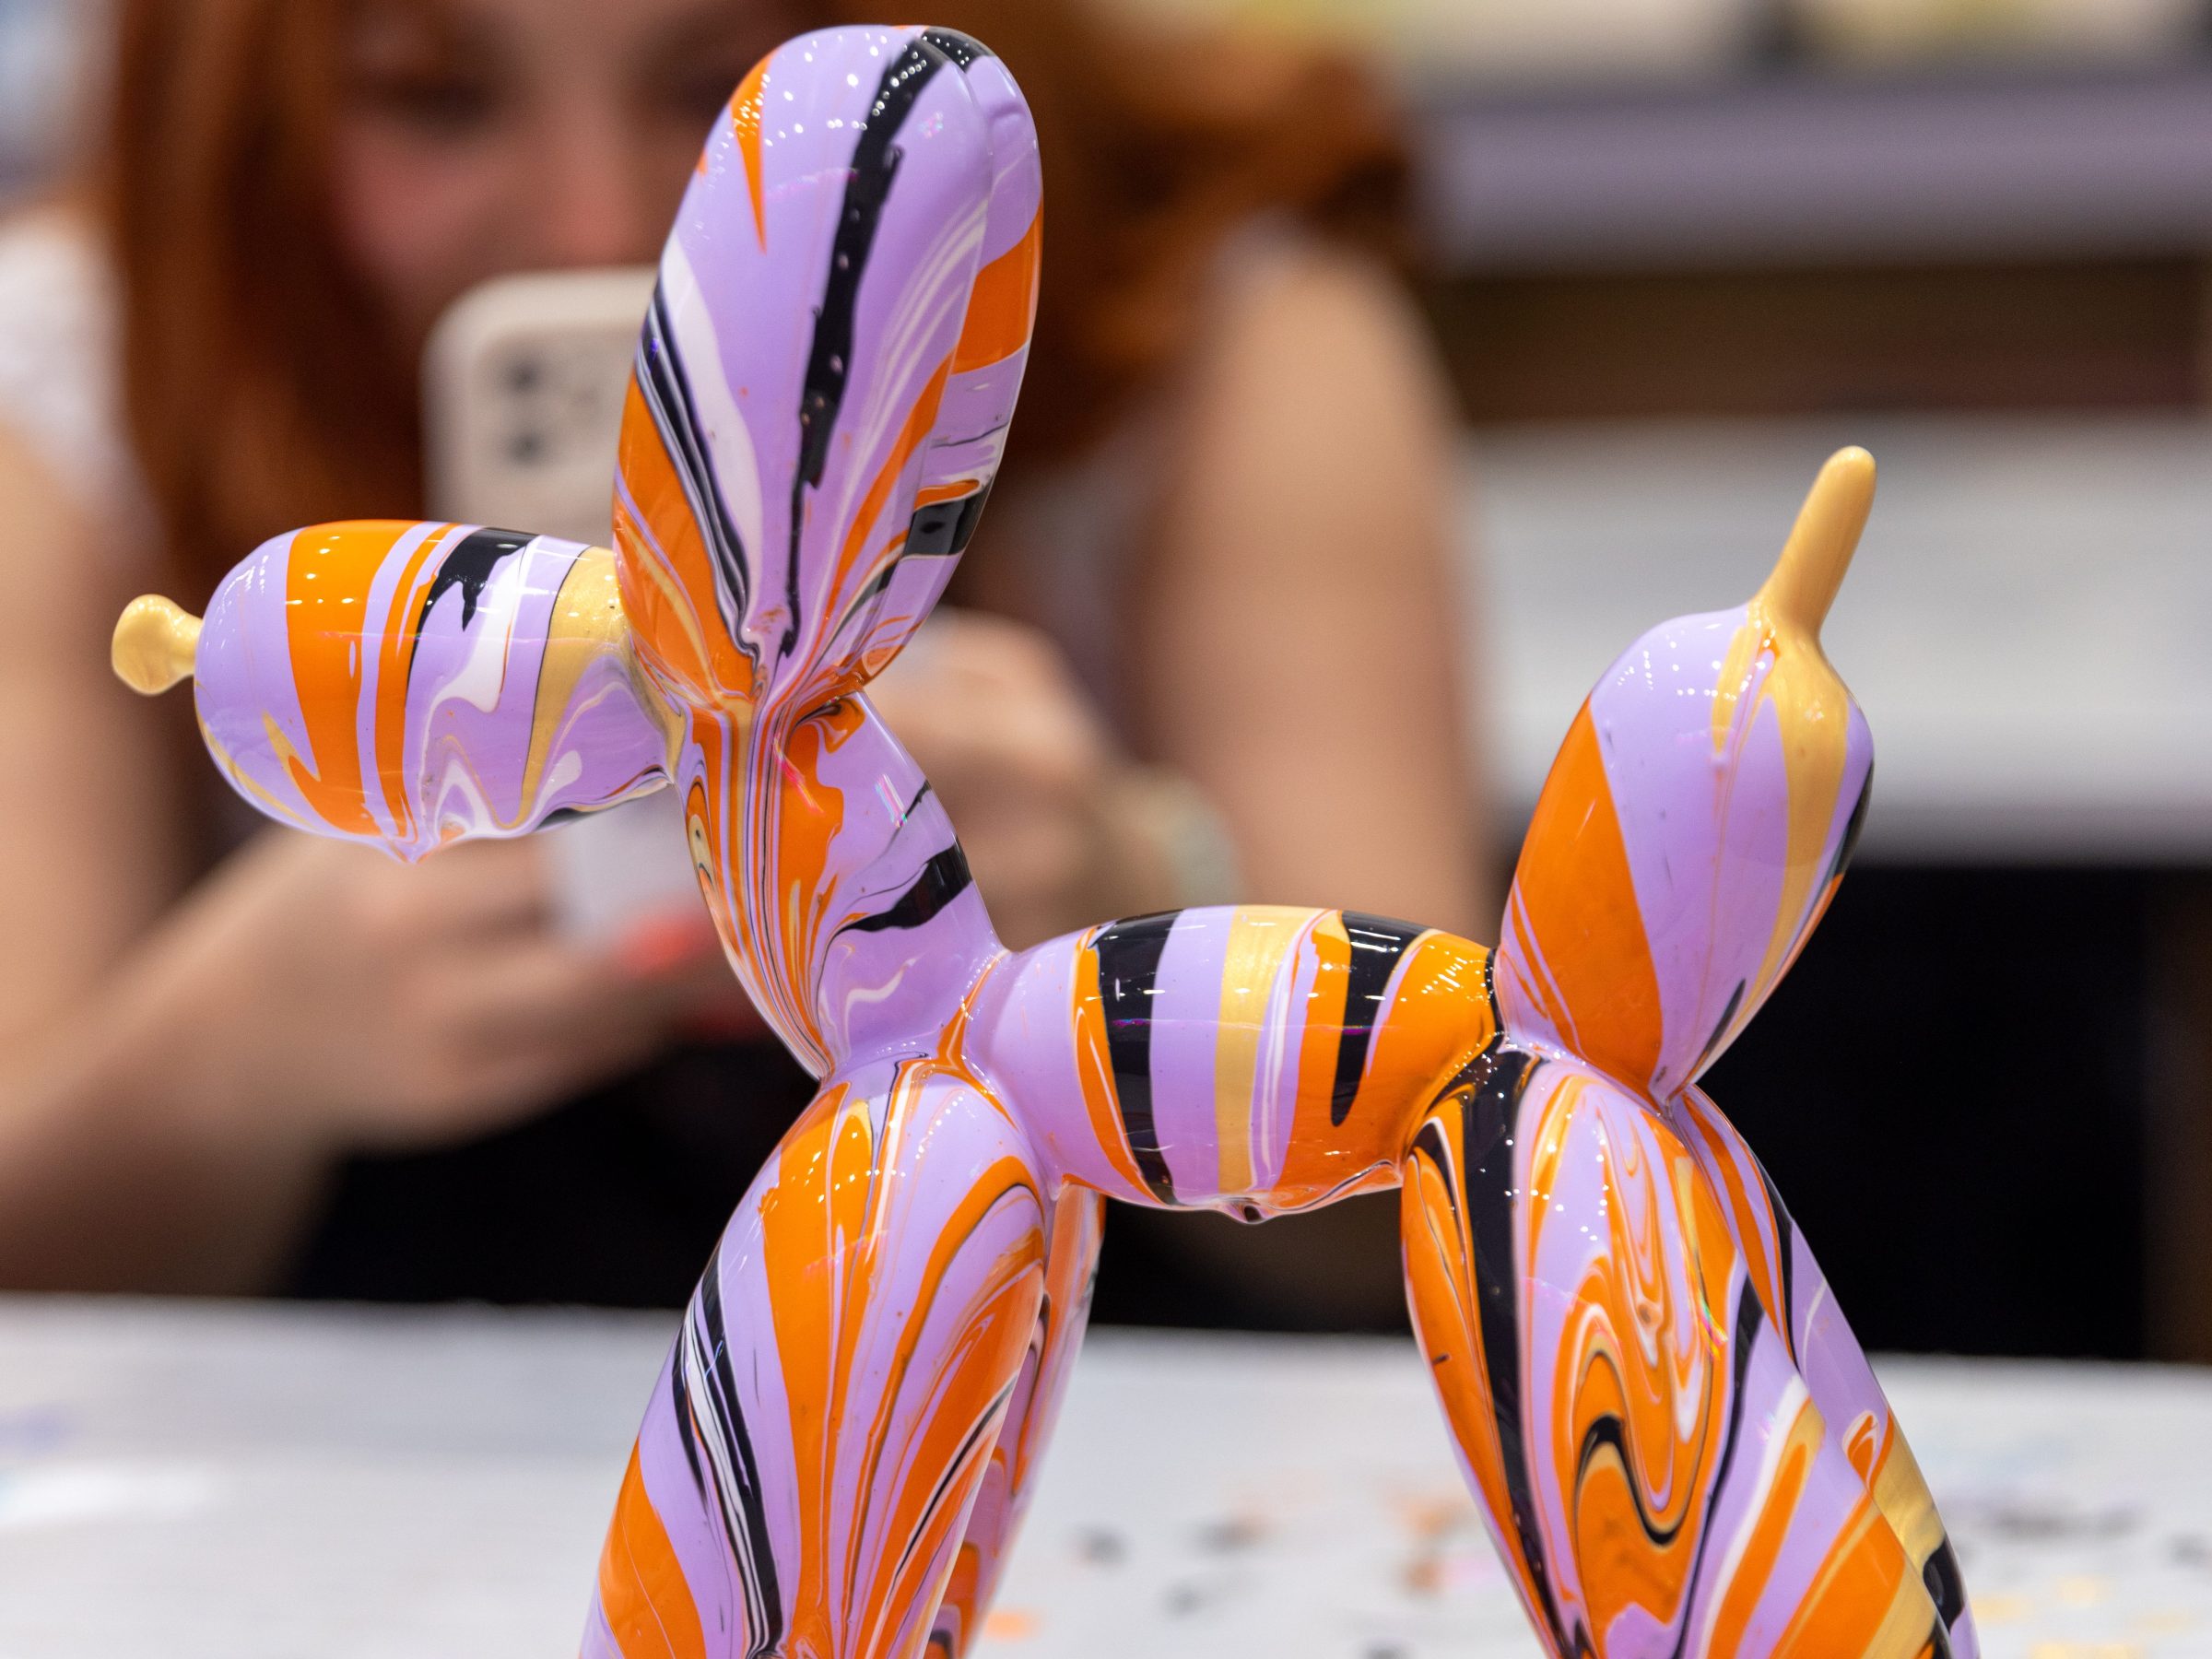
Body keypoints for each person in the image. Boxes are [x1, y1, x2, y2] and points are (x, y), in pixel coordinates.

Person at [0, 0, 1486, 1317]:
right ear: (244, 116)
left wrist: (1134, 905)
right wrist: (226, 1051)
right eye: (433, 96)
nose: (595, 227)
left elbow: (1448, 1177)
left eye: (717, 84)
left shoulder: (1230, 344)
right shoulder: (81, 387)